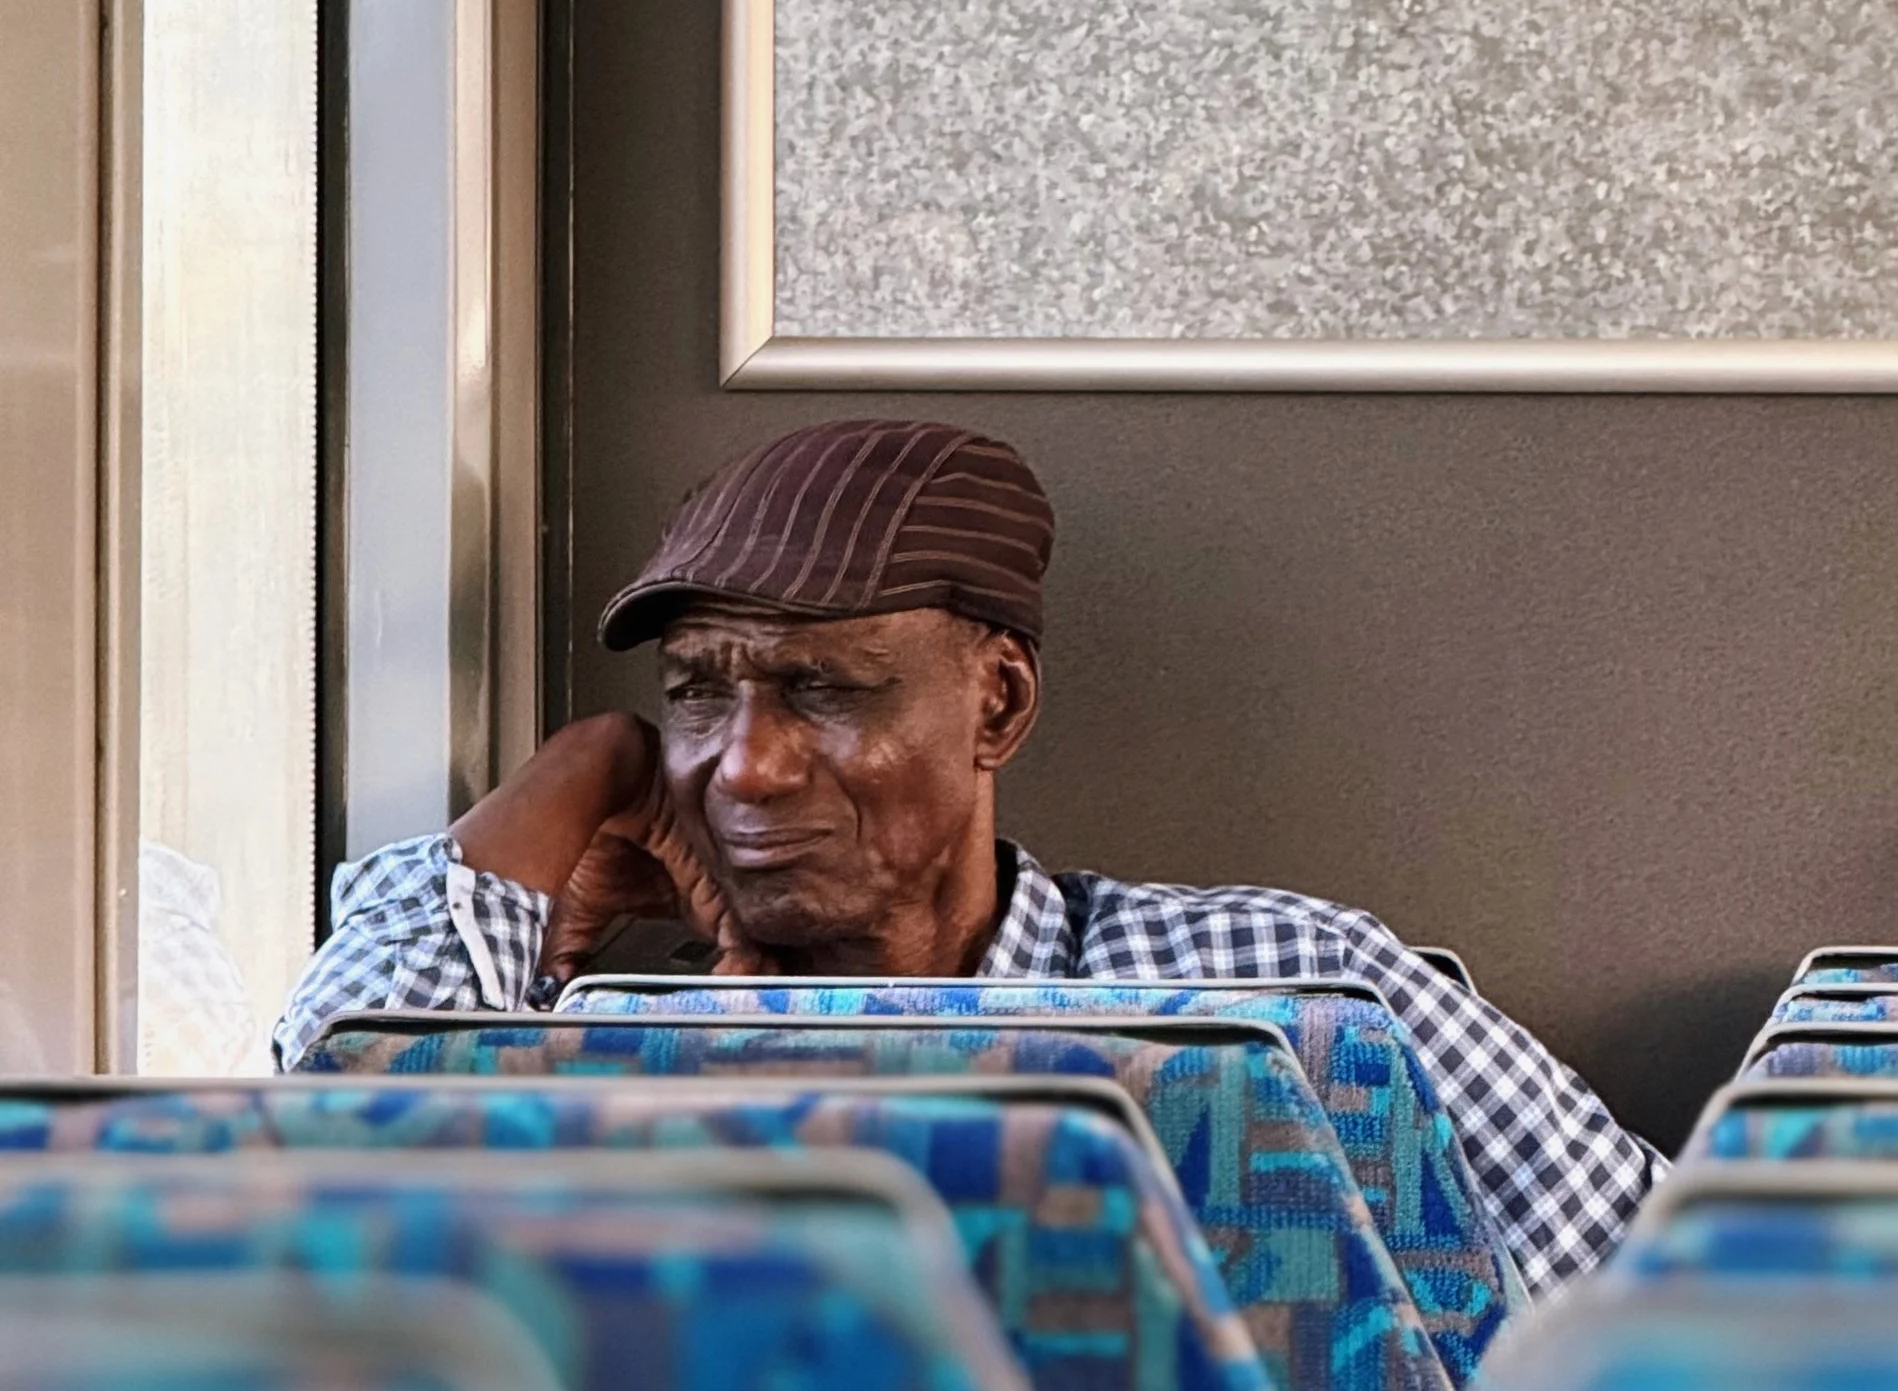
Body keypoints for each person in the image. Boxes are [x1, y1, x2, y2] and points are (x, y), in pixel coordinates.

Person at [274, 417, 1659, 1288]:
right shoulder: (582, 1049)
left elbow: (1663, 1293)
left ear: (994, 704)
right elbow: (298, 1167)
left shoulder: (1290, 988)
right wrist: (576, 776)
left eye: (824, 689)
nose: (742, 763)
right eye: (698, 691)